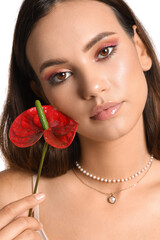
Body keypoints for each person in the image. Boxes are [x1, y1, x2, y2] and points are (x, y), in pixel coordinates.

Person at [0, 0, 160, 239]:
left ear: (141, 49)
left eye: (104, 52)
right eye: (61, 75)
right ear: (42, 94)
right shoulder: (11, 201)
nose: (93, 88)